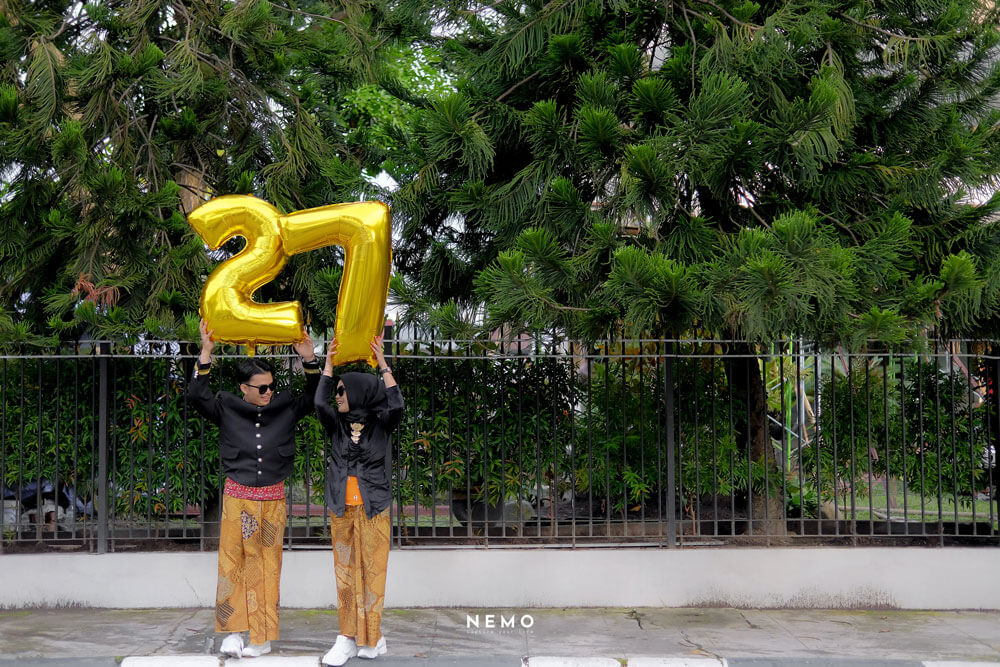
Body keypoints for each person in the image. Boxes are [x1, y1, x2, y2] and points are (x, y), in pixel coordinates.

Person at [187, 319, 320, 658]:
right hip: (237, 499)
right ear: (244, 388)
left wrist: (309, 359)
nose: (268, 392)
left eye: (271, 386)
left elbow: (316, 397)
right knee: (232, 566)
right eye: (261, 388)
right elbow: (196, 395)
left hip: (272, 501)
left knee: (266, 567)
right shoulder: (226, 407)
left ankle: (262, 637)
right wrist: (206, 352)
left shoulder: (285, 407)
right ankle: (233, 634)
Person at [316, 335, 403, 666]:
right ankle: (347, 637)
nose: (338, 396)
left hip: (373, 509)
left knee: (372, 574)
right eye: (337, 390)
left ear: (359, 393)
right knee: (345, 575)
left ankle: (372, 636)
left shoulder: (381, 425)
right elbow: (319, 404)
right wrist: (328, 366)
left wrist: (383, 364)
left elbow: (397, 405)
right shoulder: (336, 425)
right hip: (342, 509)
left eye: (343, 391)